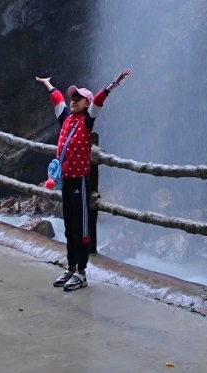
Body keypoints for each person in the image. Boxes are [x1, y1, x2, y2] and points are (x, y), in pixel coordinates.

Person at [35, 68, 131, 290]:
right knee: (69, 226)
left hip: (79, 181)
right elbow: (58, 100)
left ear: (86, 103)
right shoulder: (67, 120)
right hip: (66, 181)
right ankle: (70, 267)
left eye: (78, 99)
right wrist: (48, 84)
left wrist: (112, 84)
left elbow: (98, 102)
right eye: (73, 98)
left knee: (82, 228)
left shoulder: (87, 121)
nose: (73, 101)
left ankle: (82, 272)